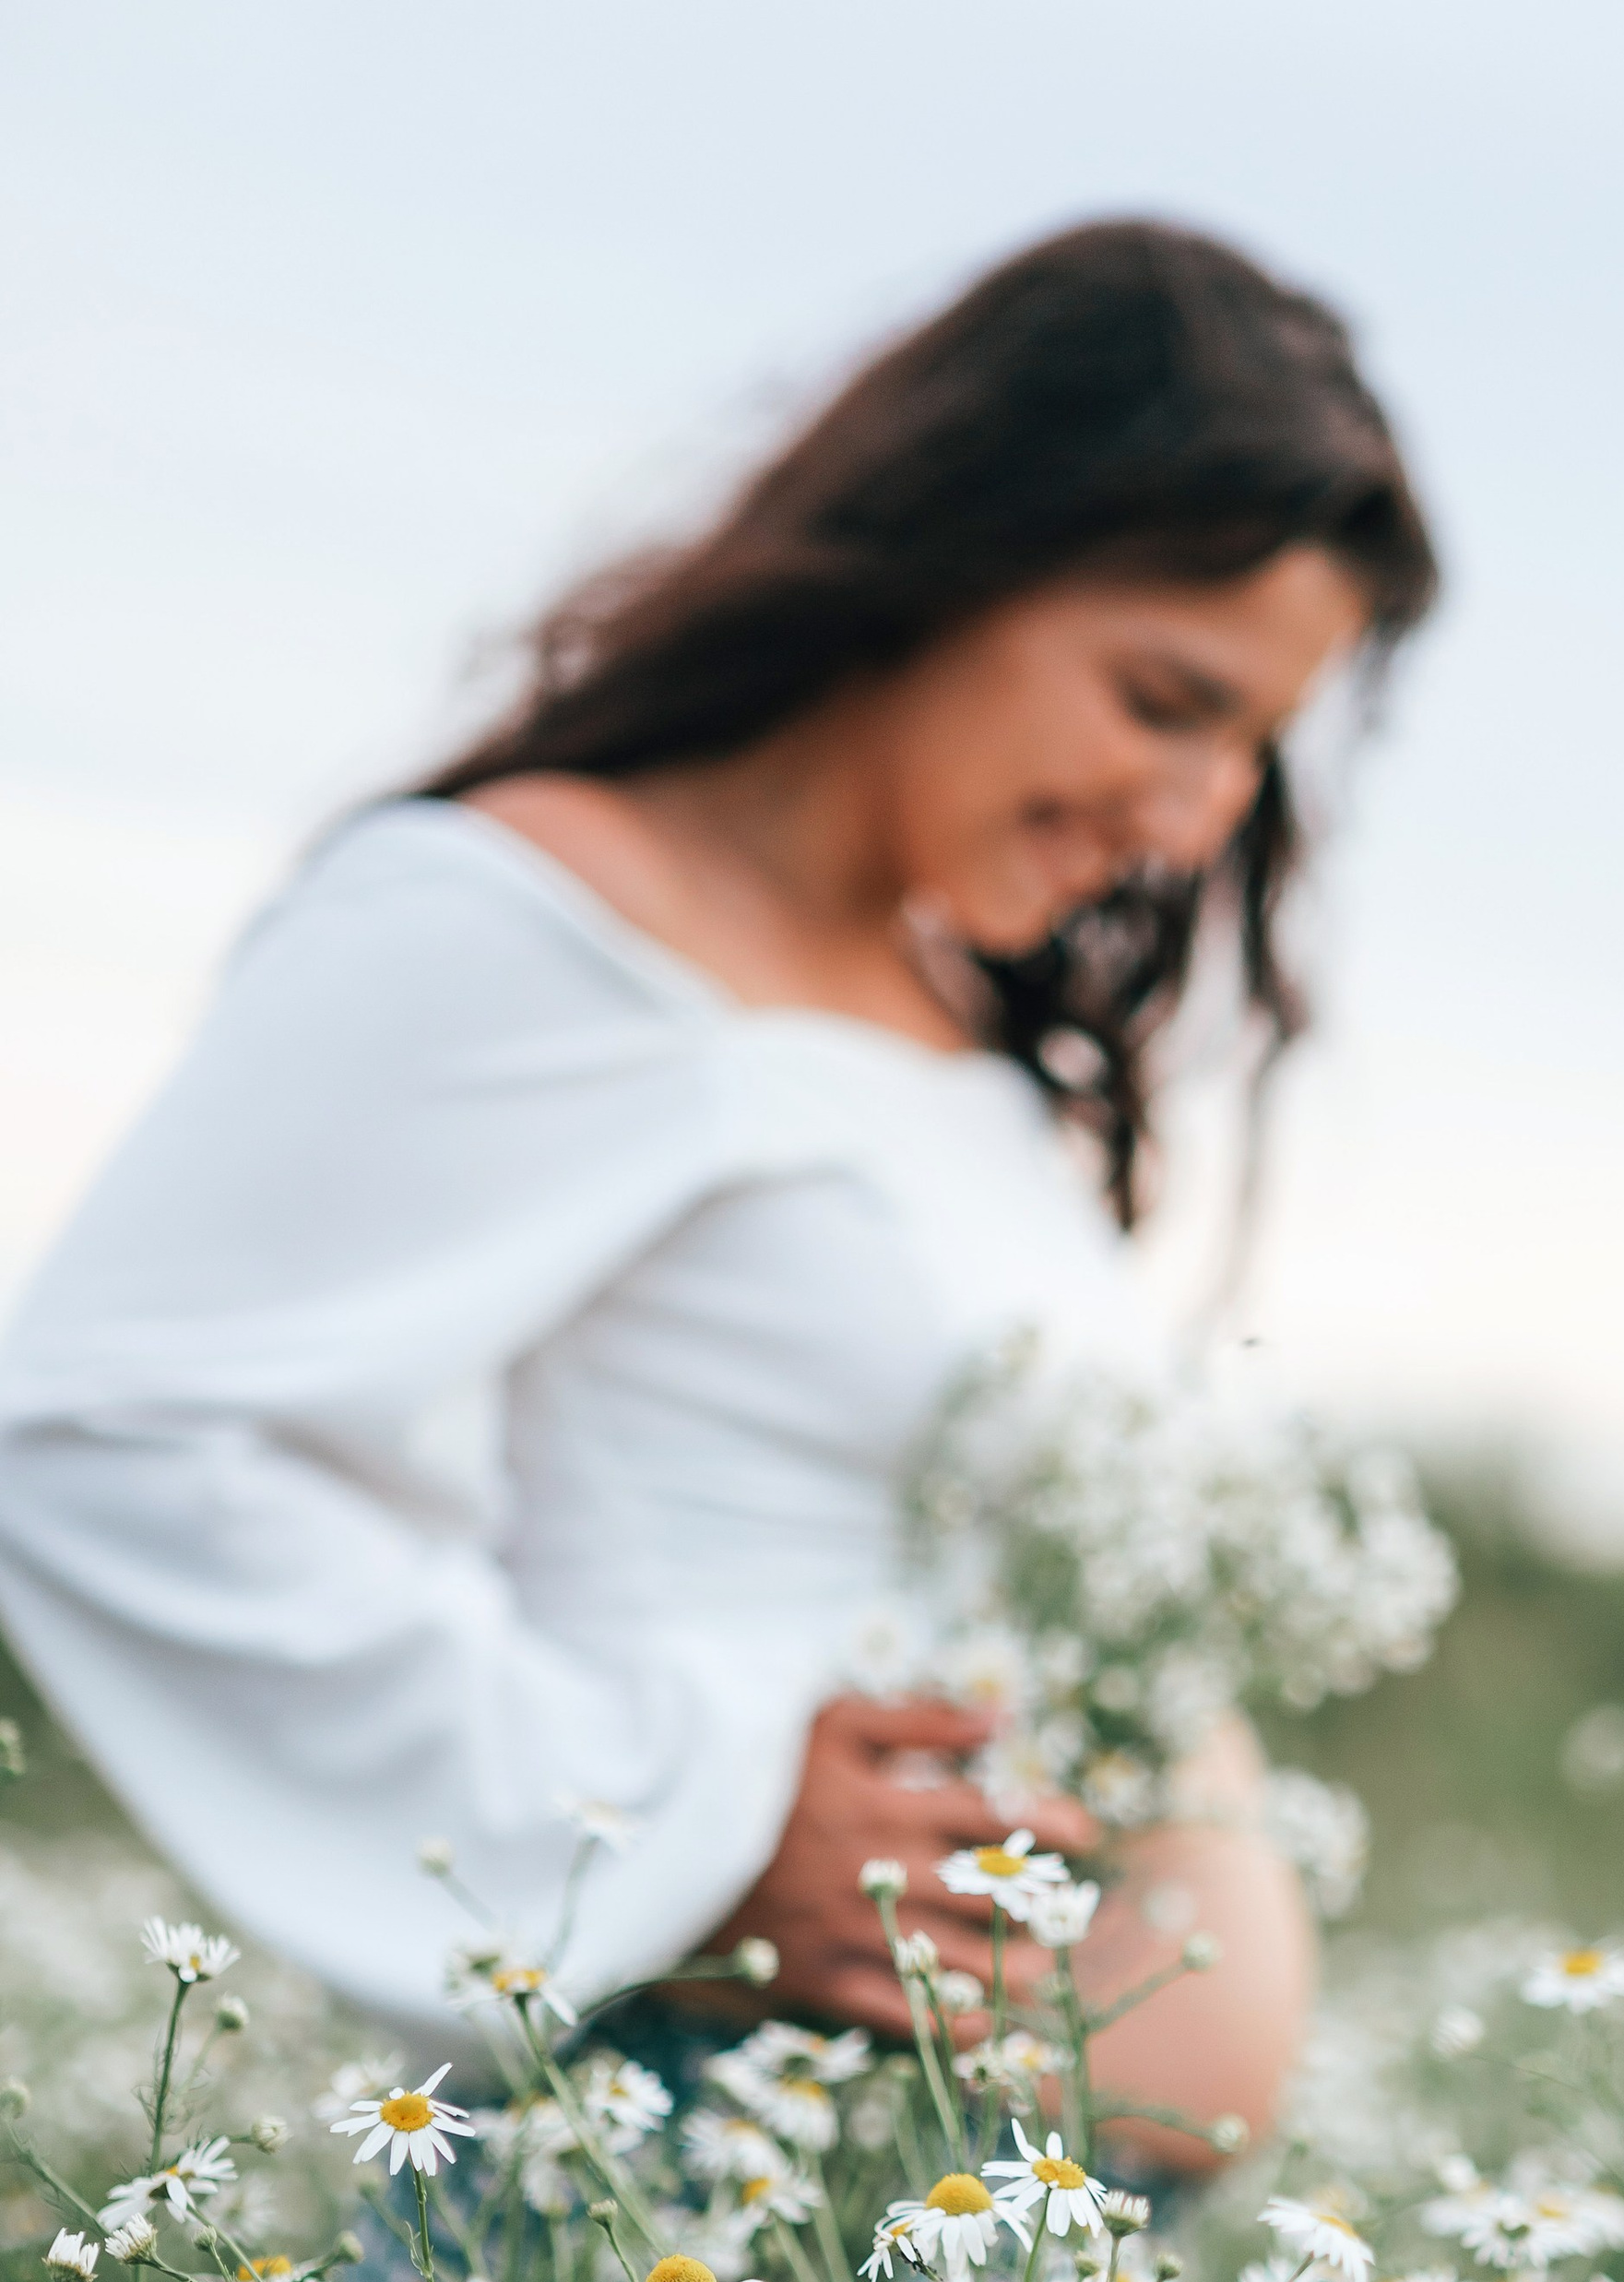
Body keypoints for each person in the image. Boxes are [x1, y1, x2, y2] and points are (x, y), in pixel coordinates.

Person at [0, 220, 1437, 2162]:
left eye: (1251, 747)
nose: (1192, 821)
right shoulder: (525, 919)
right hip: (697, 2214)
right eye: (1162, 700)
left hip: (1013, 2271)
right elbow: (116, 1427)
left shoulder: (946, 1017)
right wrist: (675, 1842)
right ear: (961, 554)